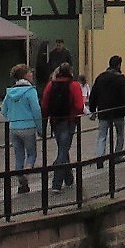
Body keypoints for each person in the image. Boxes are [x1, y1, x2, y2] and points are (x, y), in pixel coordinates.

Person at [0, 65, 42, 195]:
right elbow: (36, 111)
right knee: (31, 154)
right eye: (30, 73)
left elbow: (3, 109)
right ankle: (26, 173)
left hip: (14, 128)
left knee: (18, 156)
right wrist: (40, 128)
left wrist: (12, 118)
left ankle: (21, 183)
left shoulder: (10, 92)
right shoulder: (30, 91)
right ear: (24, 75)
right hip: (28, 127)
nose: (32, 75)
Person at [44, 61, 83, 190]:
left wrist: (47, 117)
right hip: (69, 120)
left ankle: (69, 179)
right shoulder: (74, 85)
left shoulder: (51, 85)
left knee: (62, 147)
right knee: (63, 150)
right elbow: (79, 105)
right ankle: (56, 183)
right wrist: (75, 115)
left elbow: (44, 104)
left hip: (55, 121)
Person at [90, 56, 125, 161]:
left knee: (102, 136)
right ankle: (117, 155)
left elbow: (94, 94)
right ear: (118, 65)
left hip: (103, 112)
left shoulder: (100, 77)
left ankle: (100, 157)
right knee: (120, 134)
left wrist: (93, 109)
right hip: (118, 112)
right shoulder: (121, 78)